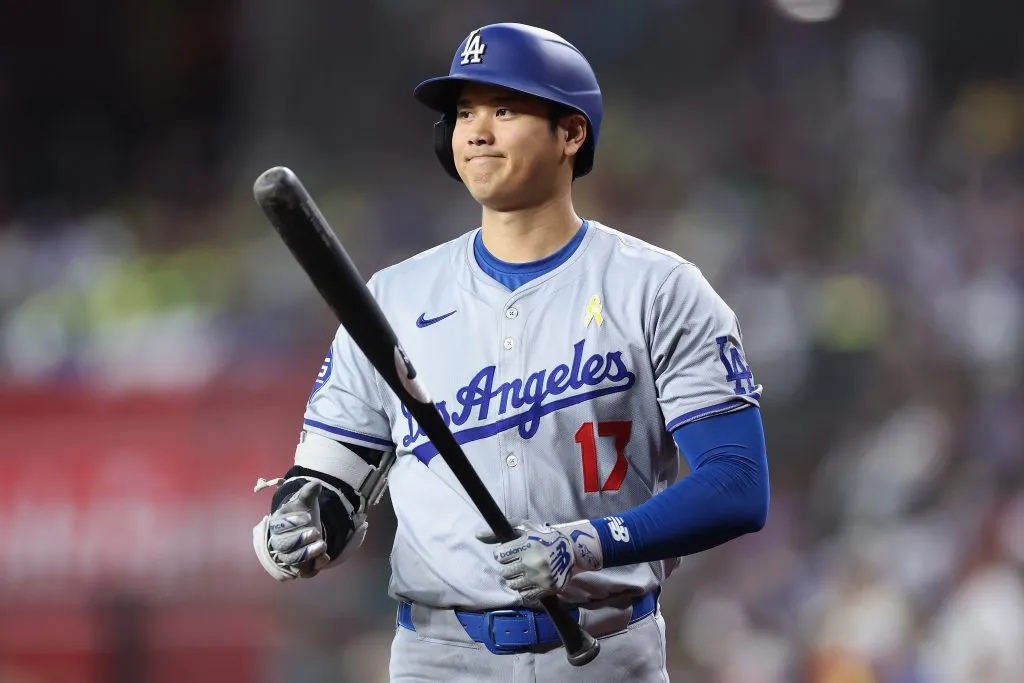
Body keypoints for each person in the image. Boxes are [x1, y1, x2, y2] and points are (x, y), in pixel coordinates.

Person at [252, 22, 770, 683]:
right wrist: (298, 522)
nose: (476, 130)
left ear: (571, 133)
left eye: (504, 108)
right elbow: (328, 479)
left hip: (608, 648)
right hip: (439, 657)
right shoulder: (393, 298)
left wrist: (588, 543)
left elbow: (737, 483)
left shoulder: (658, 288)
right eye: (464, 112)